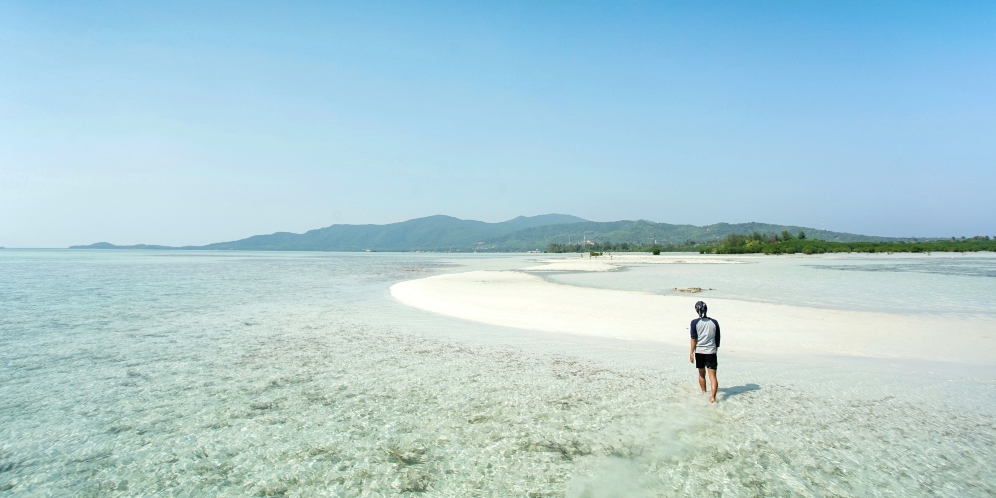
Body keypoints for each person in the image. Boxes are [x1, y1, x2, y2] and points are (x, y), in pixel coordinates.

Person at [689, 300, 720, 403]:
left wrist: (691, 353)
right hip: (711, 352)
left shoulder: (694, 323)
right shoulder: (714, 322)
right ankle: (713, 398)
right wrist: (715, 350)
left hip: (699, 352)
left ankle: (704, 393)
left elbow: (694, 339)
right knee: (713, 377)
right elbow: (717, 339)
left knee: (702, 374)